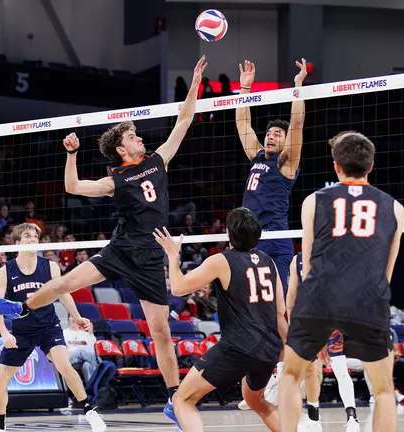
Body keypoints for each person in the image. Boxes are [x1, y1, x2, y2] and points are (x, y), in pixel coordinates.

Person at [0, 56, 207, 429]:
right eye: (132, 136)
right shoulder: (114, 179)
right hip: (121, 251)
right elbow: (72, 187)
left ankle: (173, 397)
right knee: (61, 284)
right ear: (122, 149)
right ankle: (21, 309)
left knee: (162, 332)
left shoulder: (158, 160)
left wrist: (195, 83)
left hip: (152, 256)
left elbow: (184, 121)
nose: (140, 137)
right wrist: (71, 155)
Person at [279, 131, 404, 432]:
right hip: (368, 300)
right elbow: (386, 271)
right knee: (384, 390)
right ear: (371, 166)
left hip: (320, 297)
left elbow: (306, 263)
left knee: (290, 374)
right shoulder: (396, 208)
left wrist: (315, 317)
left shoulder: (313, 201)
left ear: (336, 165)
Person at [152, 207, 287, 432]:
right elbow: (280, 311)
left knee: (181, 400)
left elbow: (177, 287)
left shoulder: (222, 261)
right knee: (256, 401)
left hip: (238, 348)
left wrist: (173, 255)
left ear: (229, 236)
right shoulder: (269, 262)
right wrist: (287, 352)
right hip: (268, 350)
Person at [235, 58, 308, 405]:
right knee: (251, 311)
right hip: (247, 243)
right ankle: (258, 377)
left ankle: (285, 376)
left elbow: (297, 123)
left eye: (276, 135)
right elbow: (242, 121)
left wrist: (298, 86)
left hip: (276, 242)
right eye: (269, 133)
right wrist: (246, 88)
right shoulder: (256, 157)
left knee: (279, 312)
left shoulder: (286, 163)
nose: (270, 137)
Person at [0, 223, 105, 432]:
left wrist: (77, 316)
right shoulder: (5, 272)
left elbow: (63, 293)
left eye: (34, 236)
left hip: (49, 326)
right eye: (27, 236)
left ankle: (90, 411)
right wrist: (4, 333)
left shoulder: (50, 266)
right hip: (21, 331)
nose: (32, 239)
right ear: (17, 242)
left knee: (64, 365)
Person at [282, 252, 359, 432]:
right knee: (309, 370)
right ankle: (314, 419)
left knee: (338, 367)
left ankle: (352, 417)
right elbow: (292, 294)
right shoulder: (297, 260)